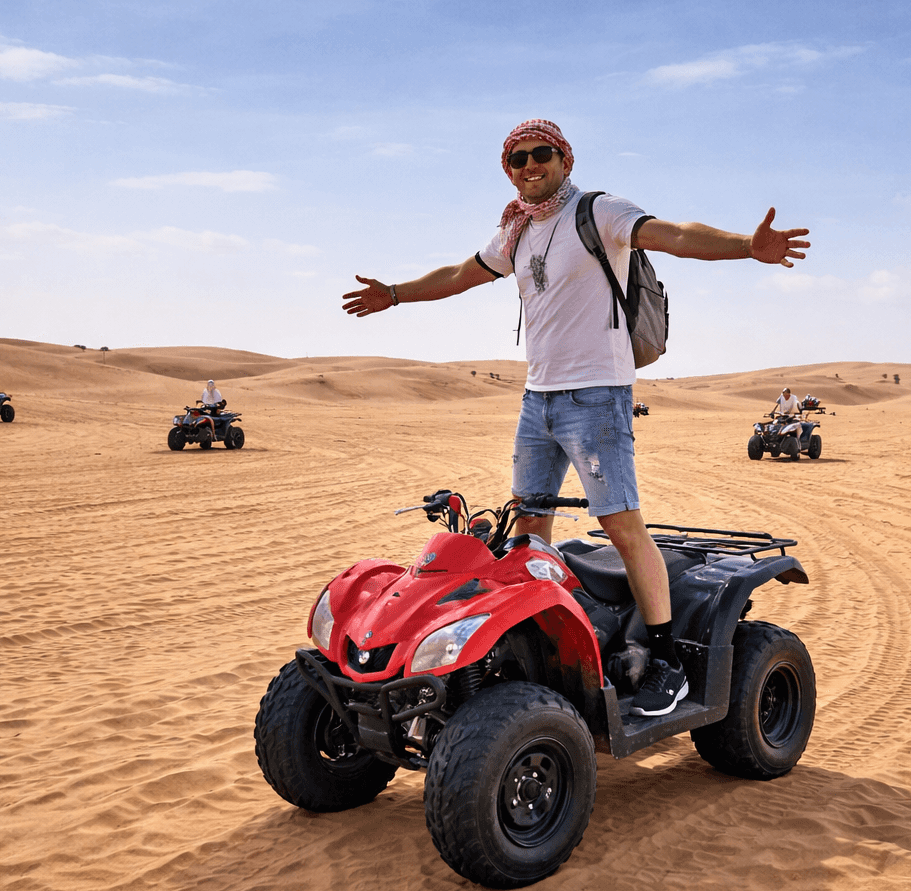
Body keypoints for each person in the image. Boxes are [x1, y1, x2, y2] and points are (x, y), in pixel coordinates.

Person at [341, 118, 810, 717]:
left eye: (541, 155)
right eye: (517, 160)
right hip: (537, 400)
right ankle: (540, 653)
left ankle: (665, 659)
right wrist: (397, 293)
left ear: (564, 159)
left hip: (596, 397)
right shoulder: (515, 232)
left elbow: (673, 234)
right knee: (527, 531)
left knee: (620, 523)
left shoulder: (599, 212)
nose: (529, 167)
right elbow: (461, 275)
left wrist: (747, 246)